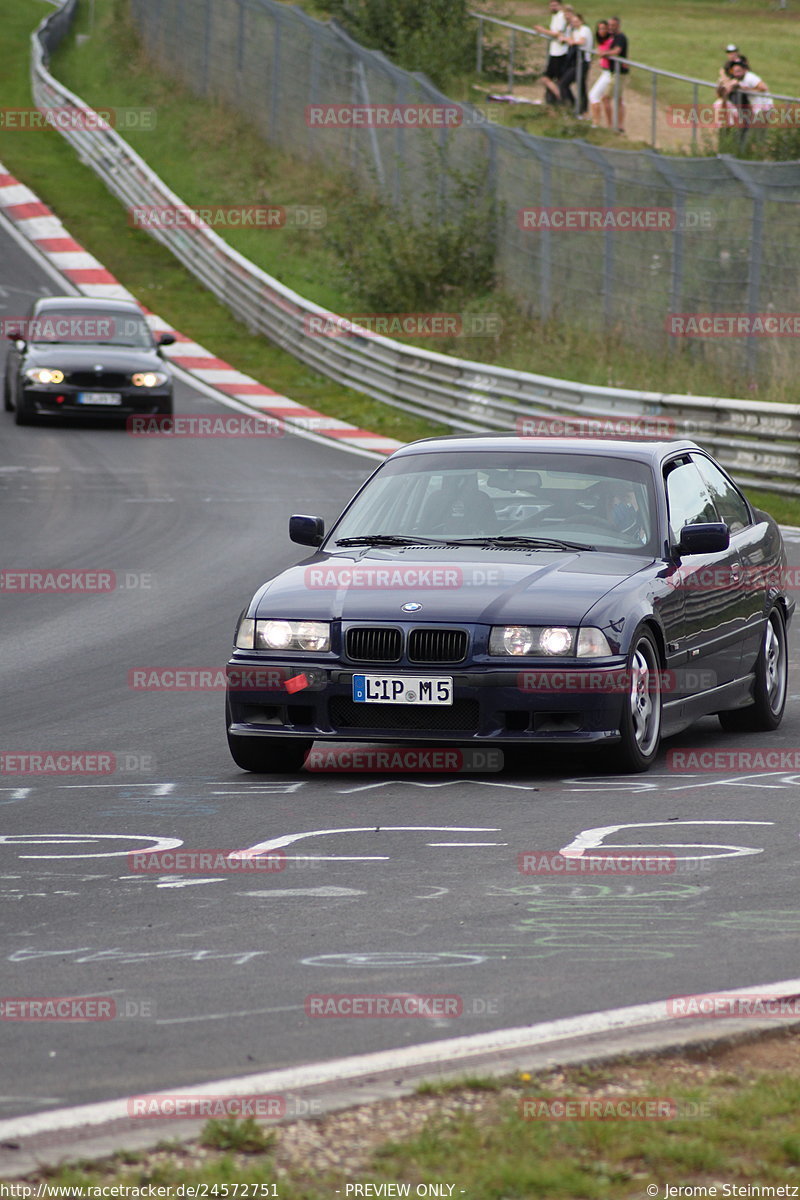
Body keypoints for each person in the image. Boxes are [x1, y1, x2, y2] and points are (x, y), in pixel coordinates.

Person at [534, 1, 571, 106]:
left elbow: (557, 34)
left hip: (560, 53)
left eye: (555, 5)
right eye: (551, 5)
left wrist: (542, 30)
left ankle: (561, 100)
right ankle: (556, 99)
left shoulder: (560, 17)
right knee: (553, 79)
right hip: (554, 51)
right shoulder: (555, 17)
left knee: (547, 78)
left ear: (560, 5)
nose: (552, 7)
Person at [558, 10, 594, 114]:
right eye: (573, 21)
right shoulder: (575, 30)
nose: (575, 23)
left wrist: (570, 41)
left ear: (581, 21)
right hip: (576, 61)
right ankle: (578, 107)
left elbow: (581, 41)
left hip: (583, 61)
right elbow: (570, 38)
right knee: (577, 84)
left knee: (572, 84)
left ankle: (578, 107)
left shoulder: (584, 29)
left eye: (577, 21)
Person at [604, 16, 629, 132]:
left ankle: (613, 126)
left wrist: (605, 53)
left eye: (613, 25)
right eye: (609, 25)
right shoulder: (614, 37)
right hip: (615, 71)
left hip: (619, 73)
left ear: (618, 26)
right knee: (618, 99)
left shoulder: (620, 37)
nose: (610, 28)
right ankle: (619, 126)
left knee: (606, 98)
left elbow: (617, 51)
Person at [588, 20, 614, 127]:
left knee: (594, 95)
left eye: (604, 28)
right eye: (599, 29)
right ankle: (606, 124)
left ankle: (597, 122)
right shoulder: (602, 41)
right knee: (604, 98)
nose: (601, 31)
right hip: (604, 71)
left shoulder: (611, 41)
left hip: (610, 73)